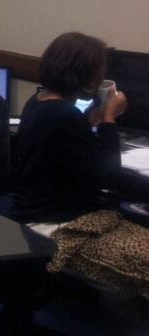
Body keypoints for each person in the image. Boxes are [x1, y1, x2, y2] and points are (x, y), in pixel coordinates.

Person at [12, 32, 129, 224]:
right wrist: (109, 118)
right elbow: (108, 176)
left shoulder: (38, 101)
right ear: (88, 77)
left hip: (31, 208)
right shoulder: (64, 114)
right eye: (101, 70)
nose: (103, 75)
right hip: (54, 222)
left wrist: (91, 121)